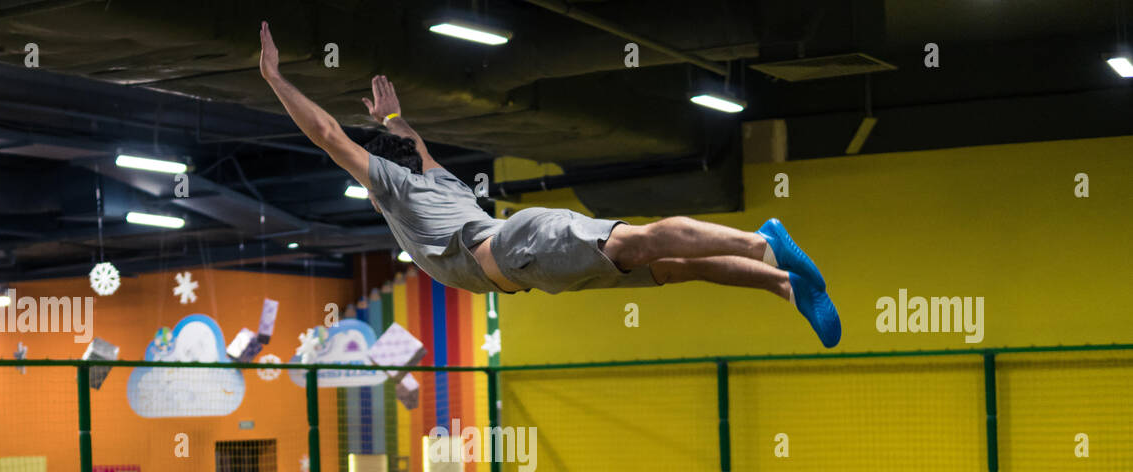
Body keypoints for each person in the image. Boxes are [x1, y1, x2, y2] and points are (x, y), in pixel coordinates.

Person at [257, 22, 840, 347]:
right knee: (669, 268)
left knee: (642, 243)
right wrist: (391, 120)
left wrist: (276, 78)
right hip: (533, 269)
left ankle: (762, 243)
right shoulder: (436, 178)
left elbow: (329, 134)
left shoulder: (397, 190)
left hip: (522, 249)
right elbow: (416, 145)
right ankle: (782, 284)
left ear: (385, 172)